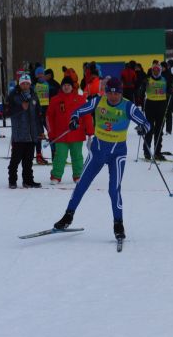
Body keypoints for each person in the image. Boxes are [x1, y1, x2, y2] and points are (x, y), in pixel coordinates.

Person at [52, 78, 150, 240]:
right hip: (97, 152)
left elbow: (147, 124)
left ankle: (118, 224)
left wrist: (142, 128)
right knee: (82, 184)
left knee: (114, 189)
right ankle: (67, 217)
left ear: (121, 93)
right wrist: (74, 120)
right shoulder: (98, 102)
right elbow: (77, 112)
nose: (113, 97)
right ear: (106, 92)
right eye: (110, 93)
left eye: (116, 93)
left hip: (117, 154)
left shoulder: (128, 106)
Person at [46, 76, 91, 184]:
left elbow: (87, 115)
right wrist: (50, 132)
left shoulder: (80, 99)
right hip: (60, 135)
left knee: (77, 156)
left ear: (72, 87)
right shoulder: (55, 100)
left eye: (68, 85)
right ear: (61, 87)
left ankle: (78, 175)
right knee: (60, 157)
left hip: (77, 134)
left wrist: (89, 130)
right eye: (64, 85)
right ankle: (56, 176)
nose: (66, 87)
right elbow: (49, 117)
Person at [8, 74, 42, 188]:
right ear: (20, 84)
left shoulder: (34, 95)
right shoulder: (13, 95)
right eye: (23, 83)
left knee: (28, 160)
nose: (26, 85)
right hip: (19, 134)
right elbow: (6, 112)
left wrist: (40, 131)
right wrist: (20, 108)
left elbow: (38, 115)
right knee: (15, 160)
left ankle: (28, 180)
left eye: (27, 83)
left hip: (32, 134)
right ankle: (12, 180)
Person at [142, 62, 172, 160]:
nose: (155, 72)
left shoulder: (164, 79)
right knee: (149, 129)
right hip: (150, 105)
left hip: (161, 105)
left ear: (160, 71)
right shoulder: (148, 79)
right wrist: (142, 87)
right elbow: (141, 91)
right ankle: (147, 152)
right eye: (154, 70)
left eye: (157, 70)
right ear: (151, 71)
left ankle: (157, 152)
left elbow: (169, 90)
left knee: (159, 131)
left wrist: (171, 90)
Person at [33, 67, 51, 164]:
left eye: (42, 73)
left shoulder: (47, 84)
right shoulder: (33, 84)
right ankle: (39, 155)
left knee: (51, 132)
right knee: (39, 134)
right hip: (37, 113)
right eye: (38, 74)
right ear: (36, 75)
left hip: (46, 111)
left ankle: (55, 154)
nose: (40, 75)